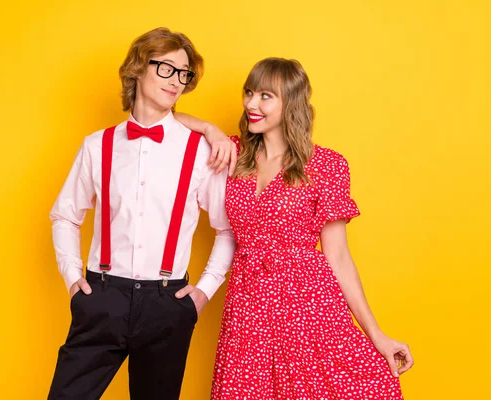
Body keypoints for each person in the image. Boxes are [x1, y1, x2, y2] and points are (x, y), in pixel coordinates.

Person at [175, 57, 414, 399]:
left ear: (291, 103)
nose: (250, 104)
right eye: (249, 92)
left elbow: (339, 257)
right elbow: (162, 121)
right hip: (248, 307)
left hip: (307, 306)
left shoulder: (327, 165)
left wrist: (377, 335)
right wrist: (209, 129)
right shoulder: (232, 153)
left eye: (265, 96)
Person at [47, 27, 236, 400]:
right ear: (137, 68)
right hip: (102, 296)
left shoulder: (200, 150)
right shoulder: (97, 145)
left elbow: (226, 229)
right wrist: (73, 280)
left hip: (167, 304)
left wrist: (203, 293)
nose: (177, 81)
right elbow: (65, 216)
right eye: (167, 68)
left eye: (184, 73)